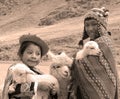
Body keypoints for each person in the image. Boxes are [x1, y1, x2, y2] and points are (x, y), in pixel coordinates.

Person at [71, 7, 119, 99]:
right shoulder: (96, 42)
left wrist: (74, 61)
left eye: (94, 25)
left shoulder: (103, 43)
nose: (90, 29)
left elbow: (89, 66)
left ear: (101, 26)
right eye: (87, 25)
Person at [2, 34, 57, 99]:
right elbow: (9, 87)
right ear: (21, 54)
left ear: (41, 57)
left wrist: (53, 89)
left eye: (38, 54)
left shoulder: (39, 73)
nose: (34, 56)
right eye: (30, 52)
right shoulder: (16, 68)